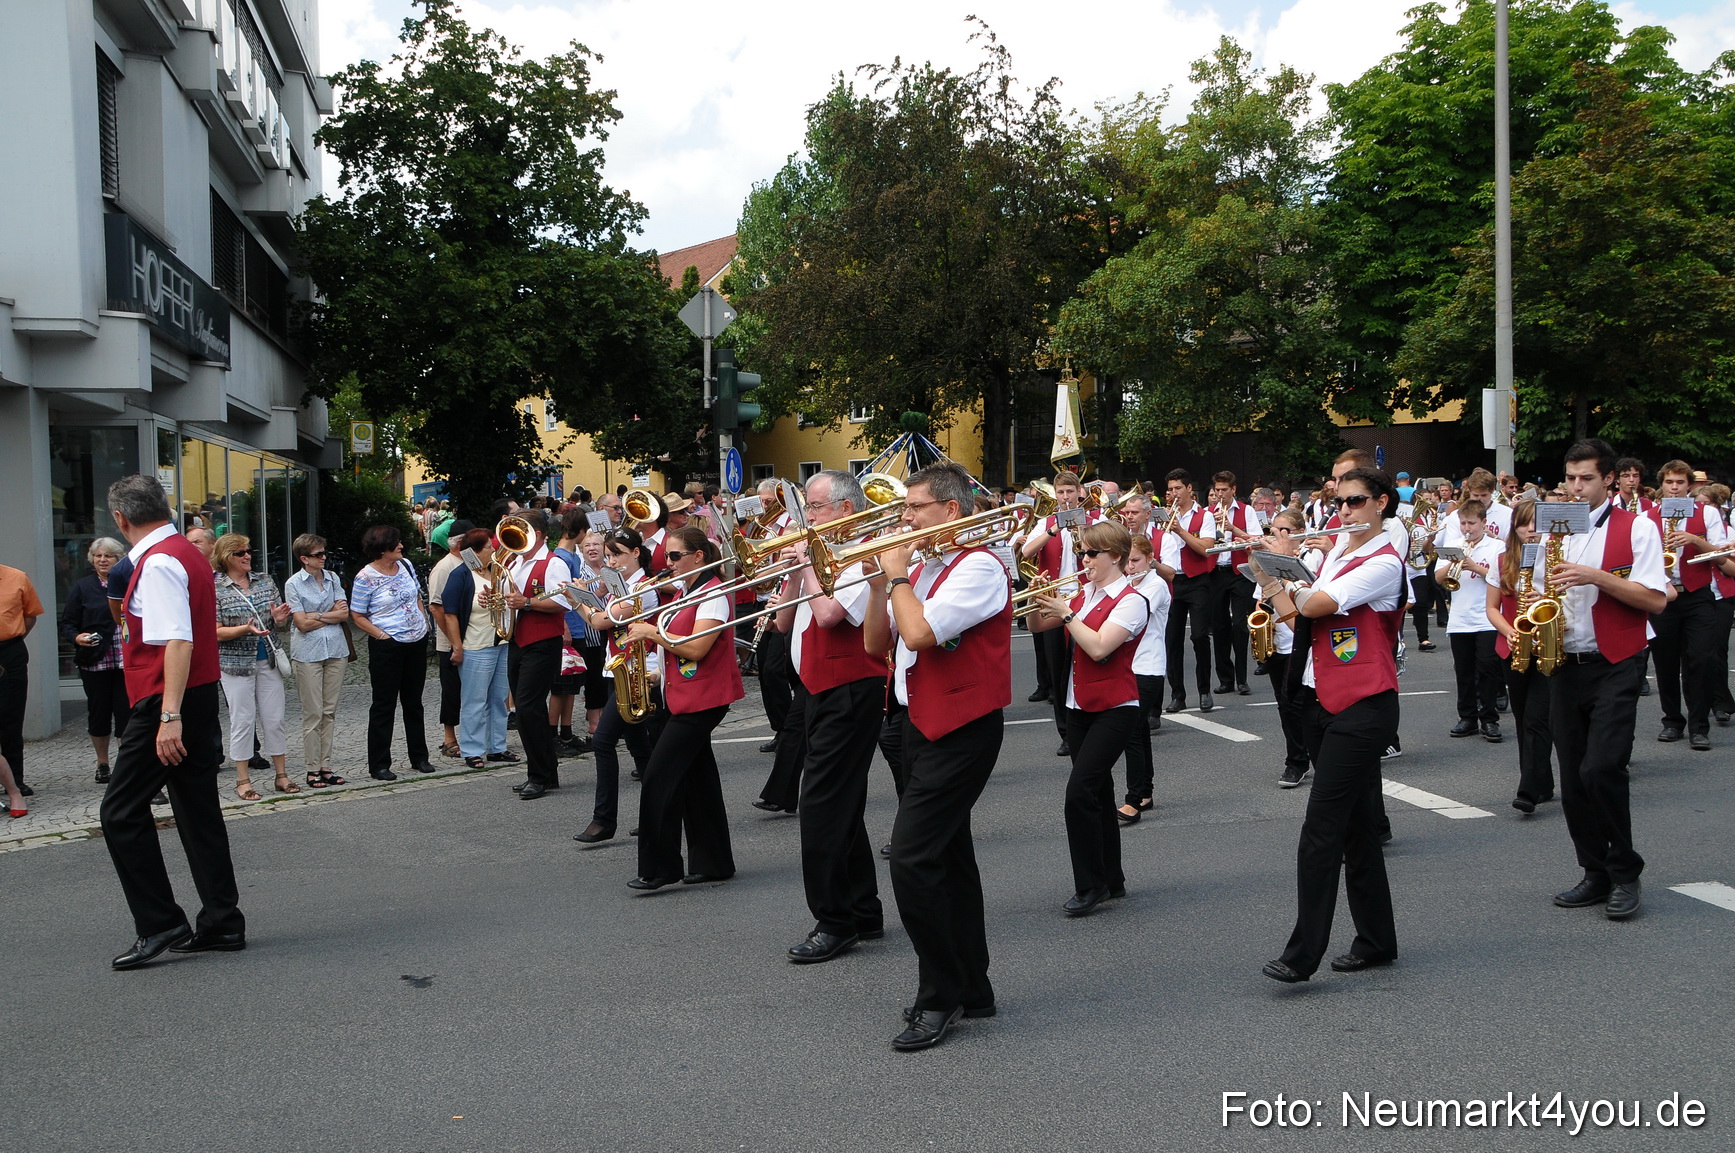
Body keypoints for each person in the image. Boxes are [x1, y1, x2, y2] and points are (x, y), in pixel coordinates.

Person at [862, 462, 1010, 1052]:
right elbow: (880, 644)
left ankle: (939, 994)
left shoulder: (979, 565)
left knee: (913, 860)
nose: (904, 518)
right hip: (913, 722)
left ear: (951, 510)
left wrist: (897, 578)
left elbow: (922, 635)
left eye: (914, 508)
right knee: (948, 857)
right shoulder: (923, 567)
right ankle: (973, 986)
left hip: (961, 726)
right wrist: (880, 587)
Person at [1256, 467, 1407, 984]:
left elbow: (1317, 603)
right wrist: (1269, 578)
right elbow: (1302, 622)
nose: (1345, 511)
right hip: (1323, 701)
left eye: (1357, 501)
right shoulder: (1338, 554)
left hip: (1365, 707)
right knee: (1359, 829)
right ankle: (1377, 940)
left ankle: (1302, 954)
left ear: (1382, 503)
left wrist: (1289, 575)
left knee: (1321, 830)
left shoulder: (1383, 560)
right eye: (1340, 502)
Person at [99, 474, 245, 969]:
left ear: (121, 519)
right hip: (197, 694)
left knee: (119, 812)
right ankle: (222, 922)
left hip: (169, 699)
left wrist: (168, 717)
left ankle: (161, 921)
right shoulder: (183, 551)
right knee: (197, 810)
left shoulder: (158, 562)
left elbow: (177, 642)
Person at [1536, 440, 1667, 920]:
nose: (1575, 487)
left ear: (1610, 479)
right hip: (1566, 662)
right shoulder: (1557, 529)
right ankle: (1594, 872)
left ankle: (1625, 870)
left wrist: (1597, 576)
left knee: (1601, 768)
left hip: (1616, 660)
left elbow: (1655, 599)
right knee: (1572, 779)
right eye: (1570, 478)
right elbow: (1537, 587)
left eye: (1585, 478)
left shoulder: (1639, 528)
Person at [768, 470, 890, 965]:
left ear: (844, 510)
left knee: (818, 808)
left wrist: (809, 564)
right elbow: (782, 622)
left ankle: (834, 922)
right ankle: (863, 910)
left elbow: (829, 615)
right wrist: (795, 570)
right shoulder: (818, 553)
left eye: (814, 508)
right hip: (816, 690)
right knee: (842, 804)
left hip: (851, 690)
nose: (807, 517)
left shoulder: (864, 554)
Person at [1029, 520, 1147, 915]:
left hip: (1116, 708)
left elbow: (1098, 648)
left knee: (1078, 795)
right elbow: (1036, 625)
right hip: (1079, 707)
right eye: (1082, 552)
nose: (1084, 559)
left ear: (1115, 556)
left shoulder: (1131, 600)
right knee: (1097, 794)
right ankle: (1112, 880)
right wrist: (1038, 599)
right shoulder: (1084, 595)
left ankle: (1090, 885)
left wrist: (1065, 614)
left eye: (1091, 553)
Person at [622, 524, 741, 889]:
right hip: (682, 694)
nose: (668, 563)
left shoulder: (713, 593)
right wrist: (654, 673)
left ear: (698, 556)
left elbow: (696, 648)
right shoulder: (685, 593)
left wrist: (651, 632)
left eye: (675, 556)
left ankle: (660, 868)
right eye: (666, 557)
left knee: (659, 777)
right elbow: (676, 650)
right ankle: (714, 861)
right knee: (697, 777)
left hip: (703, 699)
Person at [573, 528, 663, 844]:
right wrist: (587, 594)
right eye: (609, 556)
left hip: (640, 672)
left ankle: (603, 820)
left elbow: (601, 621)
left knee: (603, 741)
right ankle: (659, 812)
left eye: (617, 555)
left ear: (636, 553)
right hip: (619, 672)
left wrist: (576, 601)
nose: (612, 561)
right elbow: (603, 611)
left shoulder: (645, 588)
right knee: (641, 748)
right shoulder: (619, 585)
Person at [1646, 459, 1727, 750]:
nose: (1675, 487)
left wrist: (1695, 539)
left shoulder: (1707, 513)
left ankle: (1699, 726)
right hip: (1664, 596)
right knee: (1665, 662)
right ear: (1662, 485)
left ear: (1689, 485)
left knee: (1702, 659)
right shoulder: (1647, 517)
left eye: (1680, 482)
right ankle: (1671, 721)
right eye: (1670, 482)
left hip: (1698, 595)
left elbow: (1719, 556)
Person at [212, 534, 297, 798]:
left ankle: (281, 775)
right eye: (239, 553)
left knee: (274, 718)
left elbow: (277, 623)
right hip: (235, 664)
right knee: (243, 720)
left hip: (268, 659)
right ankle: (243, 780)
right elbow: (214, 632)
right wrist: (243, 629)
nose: (247, 556)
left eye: (248, 551)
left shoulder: (265, 580)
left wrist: (278, 619)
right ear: (226, 557)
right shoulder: (214, 587)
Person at [497, 509, 573, 800]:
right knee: (529, 710)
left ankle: (539, 775)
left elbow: (563, 602)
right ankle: (545, 772)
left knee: (528, 708)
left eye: (521, 532)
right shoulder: (514, 562)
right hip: (517, 639)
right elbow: (508, 599)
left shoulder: (553, 563)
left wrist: (526, 602)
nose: (515, 540)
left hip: (542, 641)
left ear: (538, 535)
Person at [1485, 500, 1555, 812]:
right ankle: (1543, 781)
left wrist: (1549, 597)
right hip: (1513, 646)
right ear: (1515, 528)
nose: (1530, 530)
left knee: (1538, 719)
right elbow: (1492, 608)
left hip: (1549, 646)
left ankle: (1528, 789)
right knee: (1524, 718)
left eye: (1536, 523)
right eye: (1524, 524)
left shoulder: (1557, 559)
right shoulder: (1502, 560)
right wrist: (1510, 632)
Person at [349, 525, 433, 781]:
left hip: (416, 641)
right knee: (384, 705)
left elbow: (417, 594)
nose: (401, 546)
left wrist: (424, 620)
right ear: (382, 548)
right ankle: (379, 764)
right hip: (387, 645)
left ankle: (419, 757)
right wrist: (381, 635)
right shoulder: (365, 577)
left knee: (414, 702)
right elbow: (357, 614)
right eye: (396, 543)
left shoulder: (405, 565)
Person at [1019, 471, 1090, 750]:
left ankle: (1088, 723)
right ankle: (1066, 734)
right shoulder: (1045, 523)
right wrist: (1054, 529)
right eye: (1060, 493)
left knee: (1085, 663)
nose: (1065, 498)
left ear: (1078, 492)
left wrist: (1080, 529)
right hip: (1053, 602)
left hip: (1086, 599)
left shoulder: (1094, 521)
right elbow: (1026, 552)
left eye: (1069, 492)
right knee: (1058, 668)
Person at [438, 530, 515, 769]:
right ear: (474, 551)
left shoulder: (498, 572)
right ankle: (472, 749)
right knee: (474, 701)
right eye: (488, 548)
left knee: (499, 699)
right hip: (475, 645)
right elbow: (449, 614)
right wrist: (457, 647)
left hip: (501, 643)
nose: (493, 551)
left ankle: (497, 747)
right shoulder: (460, 575)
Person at [1254, 510, 1317, 788]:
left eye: (1284, 531)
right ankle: (1297, 758)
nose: (1276, 536)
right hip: (1278, 642)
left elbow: (1308, 600)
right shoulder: (1268, 561)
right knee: (1285, 706)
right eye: (1273, 530)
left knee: (1299, 705)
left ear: (1299, 533)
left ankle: (1299, 761)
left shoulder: (1311, 559)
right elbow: (1262, 599)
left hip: (1300, 643)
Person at [284, 534, 350, 790]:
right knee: (313, 712)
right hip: (308, 653)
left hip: (335, 649)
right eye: (318, 554)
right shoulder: (294, 584)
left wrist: (319, 615)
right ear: (304, 559)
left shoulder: (332, 578)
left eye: (324, 553)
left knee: (329, 711)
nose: (324, 557)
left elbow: (344, 613)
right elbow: (301, 623)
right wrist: (330, 615)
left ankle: (326, 765)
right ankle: (312, 768)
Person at [63, 537, 130, 783]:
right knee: (99, 713)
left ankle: (126, 764)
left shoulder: (129, 583)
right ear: (92, 559)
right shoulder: (83, 586)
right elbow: (68, 623)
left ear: (118, 559)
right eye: (98, 556)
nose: (103, 560)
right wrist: (77, 637)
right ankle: (102, 763)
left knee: (127, 713)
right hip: (95, 661)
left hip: (126, 662)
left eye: (108, 556)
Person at [1437, 500, 1505, 743]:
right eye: (1463, 523)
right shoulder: (1453, 545)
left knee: (1487, 669)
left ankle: (1489, 719)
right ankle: (1467, 718)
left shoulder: (1497, 547)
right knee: (1463, 671)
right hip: (1460, 618)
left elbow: (1504, 580)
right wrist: (1453, 565)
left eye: (1472, 523)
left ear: (1483, 523)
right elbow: (1438, 578)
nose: (1467, 528)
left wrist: (1476, 566)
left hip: (1487, 618)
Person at [1116, 533, 1169, 822]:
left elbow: (1132, 616)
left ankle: (1134, 799)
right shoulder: (1128, 583)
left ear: (1150, 559)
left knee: (1132, 734)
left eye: (1136, 561)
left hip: (1147, 667)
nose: (1130, 567)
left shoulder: (1156, 585)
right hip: (1131, 666)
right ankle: (1145, 791)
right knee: (1139, 734)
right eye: (1126, 561)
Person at [1160, 469, 1219, 713]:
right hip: (1172, 582)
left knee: (1198, 637)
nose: (1174, 494)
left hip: (1197, 581)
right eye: (1171, 489)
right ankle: (1177, 695)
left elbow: (1206, 549)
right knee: (1171, 640)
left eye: (1178, 489)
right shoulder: (1162, 515)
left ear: (1189, 489)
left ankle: (1204, 690)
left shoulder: (1204, 516)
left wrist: (1180, 531)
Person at [549, 513, 604, 757]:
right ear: (580, 530)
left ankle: (567, 732)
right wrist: (564, 627)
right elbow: (558, 595)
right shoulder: (560, 558)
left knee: (572, 686)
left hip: (579, 626)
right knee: (561, 687)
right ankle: (552, 735)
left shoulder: (571, 555)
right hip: (569, 626)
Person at [1207, 470, 1264, 696]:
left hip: (1239, 572)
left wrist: (1233, 529)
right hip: (1216, 572)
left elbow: (1257, 539)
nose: (1220, 495)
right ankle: (1225, 679)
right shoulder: (1207, 513)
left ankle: (1242, 679)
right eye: (1217, 490)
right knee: (1219, 627)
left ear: (1233, 490)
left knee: (1240, 626)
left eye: (1224, 490)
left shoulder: (1247, 511)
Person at [426, 519, 476, 759]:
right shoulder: (444, 567)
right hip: (451, 642)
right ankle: (449, 738)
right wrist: (455, 640)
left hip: (474, 639)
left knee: (472, 691)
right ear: (458, 543)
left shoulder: (473, 563)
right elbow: (436, 607)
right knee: (452, 690)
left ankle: (472, 735)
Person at [0, 559, 45, 797]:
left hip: (10, 652)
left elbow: (30, 616)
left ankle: (15, 780)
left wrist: (12, 641)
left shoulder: (17, 577)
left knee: (11, 718)